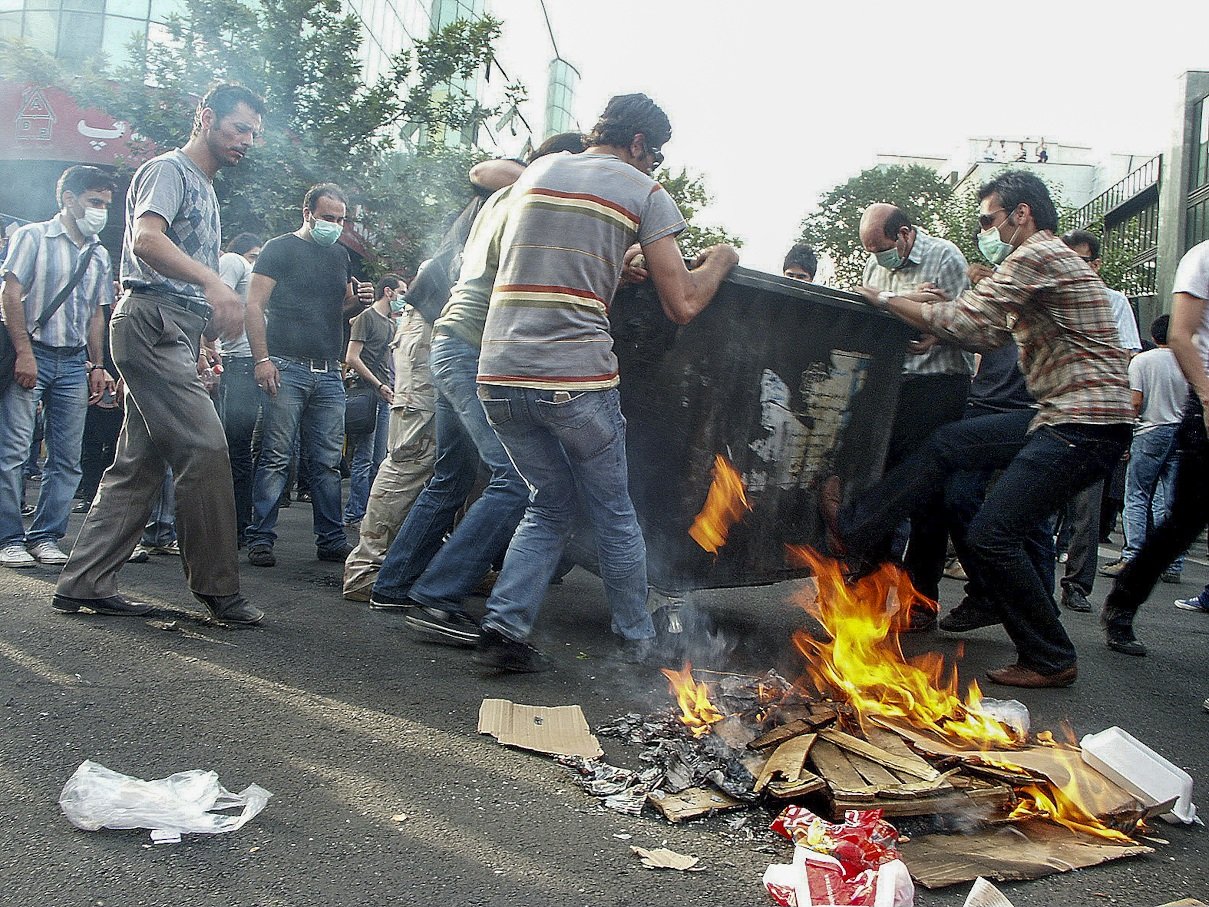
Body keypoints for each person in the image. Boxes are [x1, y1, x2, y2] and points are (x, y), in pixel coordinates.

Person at [473, 93, 739, 672]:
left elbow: (521, 260)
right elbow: (684, 303)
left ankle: (505, 623)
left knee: (550, 501)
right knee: (615, 511)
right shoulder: (642, 190)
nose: (655, 166)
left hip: (497, 372)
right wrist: (721, 258)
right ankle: (637, 637)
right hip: (573, 378)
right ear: (639, 143)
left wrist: (612, 266)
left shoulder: (539, 171)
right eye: (657, 154)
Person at [838, 170, 1133, 688]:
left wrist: (886, 300)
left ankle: (1050, 656)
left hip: (1083, 422)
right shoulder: (1047, 262)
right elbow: (986, 336)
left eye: (988, 219)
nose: (985, 230)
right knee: (950, 443)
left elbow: (968, 325)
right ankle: (858, 528)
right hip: (1059, 415)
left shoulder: (1038, 254)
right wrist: (929, 316)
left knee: (994, 535)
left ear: (1022, 214)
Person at [53, 83, 265, 624]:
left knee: (138, 464)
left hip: (172, 327)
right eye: (239, 128)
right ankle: (219, 589)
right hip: (150, 321)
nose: (247, 141)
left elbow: (181, 274)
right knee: (205, 448)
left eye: (254, 134)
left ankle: (85, 581)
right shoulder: (169, 170)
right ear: (204, 117)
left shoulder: (206, 187)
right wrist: (218, 285)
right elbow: (146, 242)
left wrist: (204, 338)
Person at [367, 132, 587, 644]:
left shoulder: (512, 199)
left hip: (451, 344)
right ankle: (439, 593)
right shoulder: (535, 197)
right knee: (516, 478)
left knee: (451, 474)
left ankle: (393, 583)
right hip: (469, 352)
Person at [243, 183, 374, 567]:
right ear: (308, 213)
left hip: (330, 371)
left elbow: (336, 310)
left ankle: (331, 538)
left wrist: (356, 303)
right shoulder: (279, 249)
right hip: (285, 365)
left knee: (327, 461)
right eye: (329, 218)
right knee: (276, 456)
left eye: (340, 219)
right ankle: (261, 538)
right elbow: (254, 305)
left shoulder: (340, 256)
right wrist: (261, 360)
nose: (335, 225)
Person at [858, 203, 972, 617]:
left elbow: (967, 322)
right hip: (892, 385)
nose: (877, 257)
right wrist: (908, 303)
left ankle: (920, 600)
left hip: (938, 386)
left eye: (882, 247)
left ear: (904, 234)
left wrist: (935, 334)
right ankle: (867, 589)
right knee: (880, 484)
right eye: (870, 250)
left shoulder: (945, 258)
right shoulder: (876, 266)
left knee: (928, 494)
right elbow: (866, 300)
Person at [1, 165, 116, 569]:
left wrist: (98, 365)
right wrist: (23, 352)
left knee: (67, 457)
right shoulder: (33, 237)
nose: (101, 210)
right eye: (94, 202)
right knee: (14, 451)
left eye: (105, 204)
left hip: (72, 362)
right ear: (69, 199)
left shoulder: (99, 254)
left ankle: (47, 535)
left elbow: (96, 316)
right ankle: (8, 538)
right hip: (31, 352)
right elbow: (10, 293)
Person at [1103, 240, 1209, 666]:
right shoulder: (1202, 257)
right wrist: (1205, 395)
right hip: (1204, 408)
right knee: (1182, 523)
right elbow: (1181, 336)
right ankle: (1123, 603)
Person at [1052, 229, 1141, 612]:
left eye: (1081, 261)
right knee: (1038, 510)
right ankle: (1034, 589)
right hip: (1051, 413)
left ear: (1097, 264)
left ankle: (1076, 586)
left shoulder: (1115, 301)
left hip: (1095, 420)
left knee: (1087, 512)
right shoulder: (1051, 298)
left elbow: (1125, 358)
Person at [342, 297, 436, 600]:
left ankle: (461, 565)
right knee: (412, 456)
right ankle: (366, 569)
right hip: (435, 331)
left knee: (463, 465)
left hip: (441, 327)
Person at [1100, 314, 1187, 582]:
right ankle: (1172, 564)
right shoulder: (1188, 363)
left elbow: (1135, 402)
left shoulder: (1143, 361)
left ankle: (1132, 557)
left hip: (1150, 431)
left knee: (1137, 494)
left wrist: (1124, 436)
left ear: (1154, 334)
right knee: (1169, 500)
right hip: (1181, 432)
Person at [342, 275, 401, 525]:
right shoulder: (367, 318)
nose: (403, 297)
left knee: (378, 460)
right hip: (368, 394)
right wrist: (379, 384)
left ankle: (369, 513)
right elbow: (352, 356)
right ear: (388, 292)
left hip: (383, 395)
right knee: (364, 458)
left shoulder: (390, 324)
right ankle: (355, 513)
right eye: (401, 291)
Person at [216, 232, 262, 545]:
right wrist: (209, 345)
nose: (259, 263)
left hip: (249, 365)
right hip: (240, 365)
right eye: (256, 255)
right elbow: (220, 301)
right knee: (236, 450)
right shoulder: (233, 262)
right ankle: (236, 526)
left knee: (241, 449)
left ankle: (239, 525)